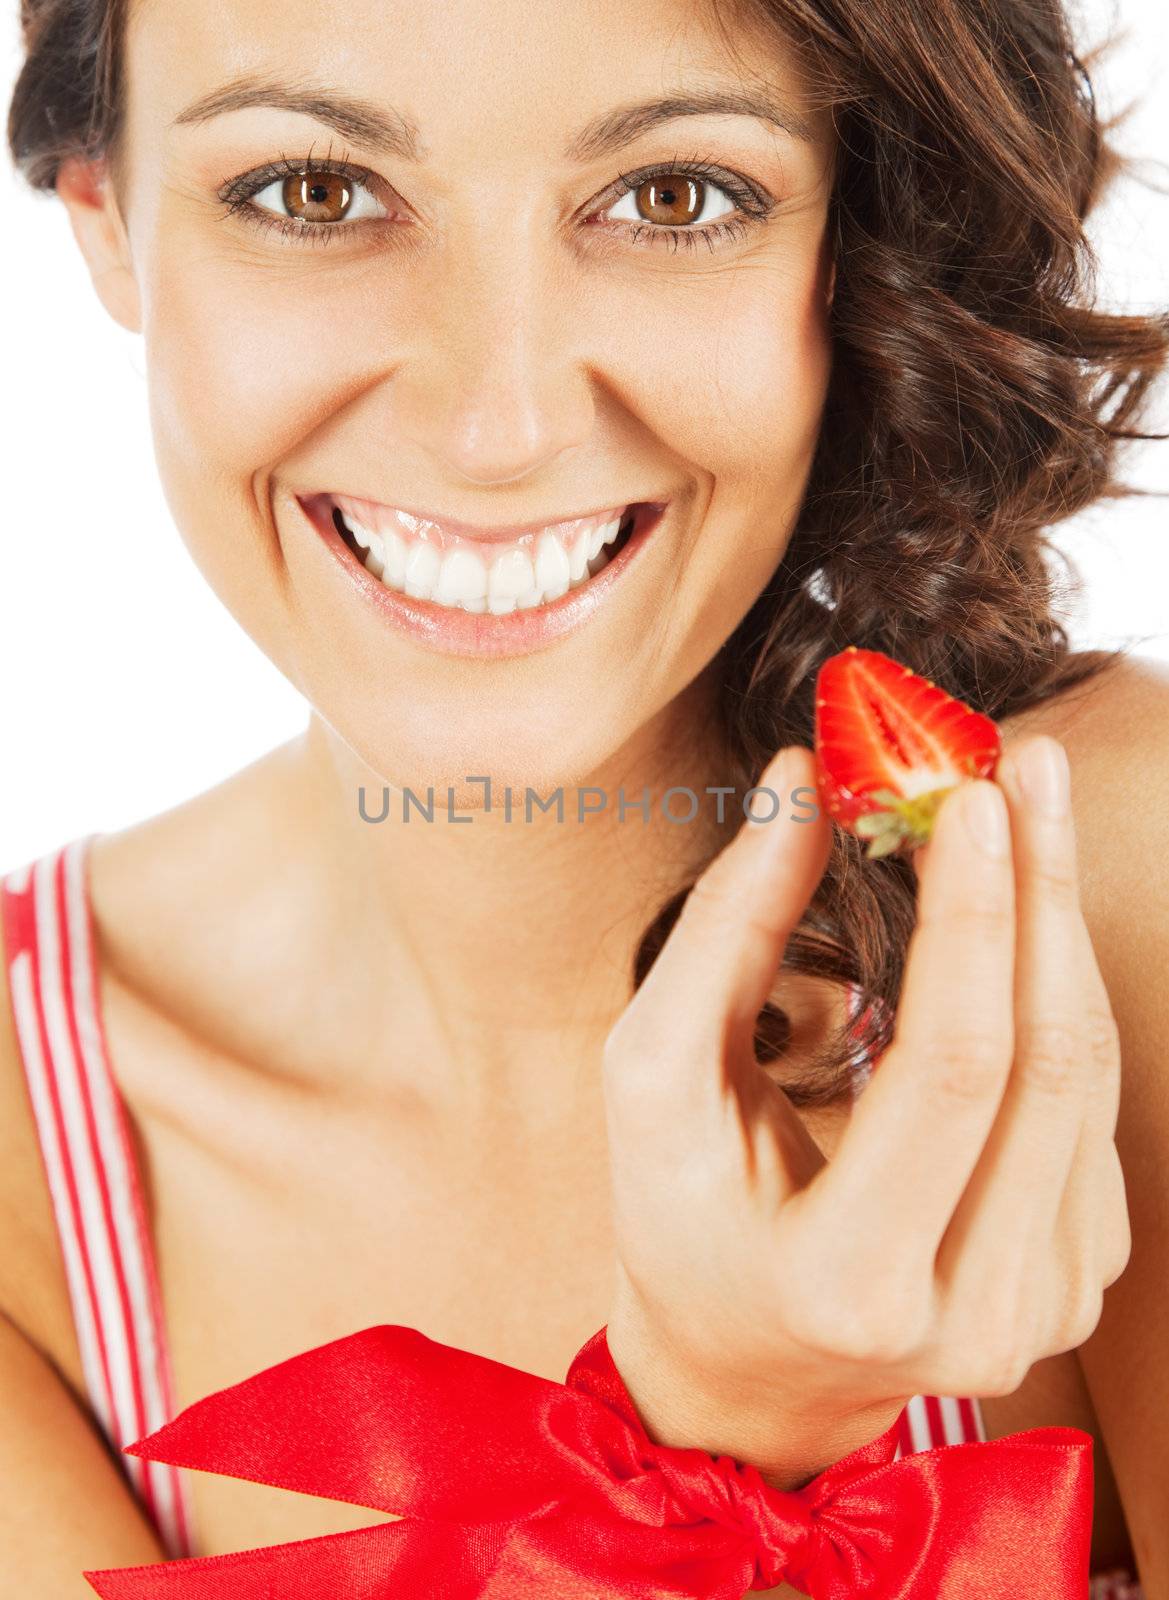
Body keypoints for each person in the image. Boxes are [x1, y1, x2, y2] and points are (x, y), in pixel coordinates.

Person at [2, 0, 1166, 1594]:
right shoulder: (21, 1147)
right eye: (313, 192)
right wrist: (727, 1434)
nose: (499, 427)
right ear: (107, 212)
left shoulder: (1115, 884)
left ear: (853, 235)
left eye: (676, 196)